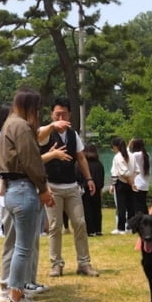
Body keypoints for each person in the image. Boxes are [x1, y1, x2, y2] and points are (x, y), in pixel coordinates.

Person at [0, 88, 55, 302]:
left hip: (12, 190)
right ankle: (16, 297)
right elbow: (32, 161)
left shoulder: (8, 124)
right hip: (23, 189)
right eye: (37, 108)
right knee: (23, 248)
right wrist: (43, 188)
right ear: (30, 107)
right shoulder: (21, 126)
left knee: (17, 245)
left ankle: (14, 292)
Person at [37, 97, 99, 277]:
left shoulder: (73, 135)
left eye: (64, 113)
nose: (61, 117)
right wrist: (52, 126)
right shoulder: (46, 131)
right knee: (55, 226)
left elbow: (81, 157)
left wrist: (89, 178)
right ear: (52, 114)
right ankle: (56, 264)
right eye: (57, 114)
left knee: (80, 223)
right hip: (52, 186)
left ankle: (84, 263)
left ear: (70, 114)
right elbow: (39, 135)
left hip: (72, 186)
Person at [108, 136, 134, 233]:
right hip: (131, 182)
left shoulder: (117, 157)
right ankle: (130, 227)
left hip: (121, 183)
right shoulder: (131, 155)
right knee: (131, 206)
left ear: (115, 146)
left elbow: (117, 172)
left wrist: (112, 184)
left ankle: (121, 228)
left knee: (121, 206)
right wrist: (132, 181)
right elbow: (135, 170)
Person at [79, 143, 106, 237]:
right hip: (97, 189)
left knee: (87, 210)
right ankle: (98, 229)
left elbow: (78, 177)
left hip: (85, 189)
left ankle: (90, 230)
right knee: (97, 210)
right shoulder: (99, 164)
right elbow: (102, 177)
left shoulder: (82, 164)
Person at [128, 137, 151, 218]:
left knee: (138, 207)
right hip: (145, 184)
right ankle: (148, 221)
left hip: (137, 184)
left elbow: (126, 155)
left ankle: (140, 223)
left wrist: (128, 146)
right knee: (143, 205)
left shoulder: (135, 155)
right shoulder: (147, 155)